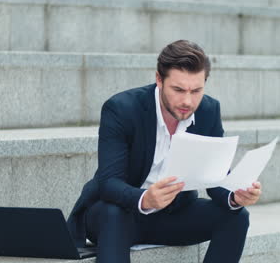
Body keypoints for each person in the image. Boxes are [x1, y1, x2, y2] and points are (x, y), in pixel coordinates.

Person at [67, 40, 262, 263]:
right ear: (159, 80)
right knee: (114, 214)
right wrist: (144, 199)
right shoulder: (122, 108)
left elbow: (214, 175)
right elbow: (109, 182)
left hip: (173, 214)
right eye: (178, 89)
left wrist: (235, 196)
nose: (187, 101)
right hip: (121, 212)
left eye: (196, 90)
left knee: (237, 217)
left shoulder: (209, 110)